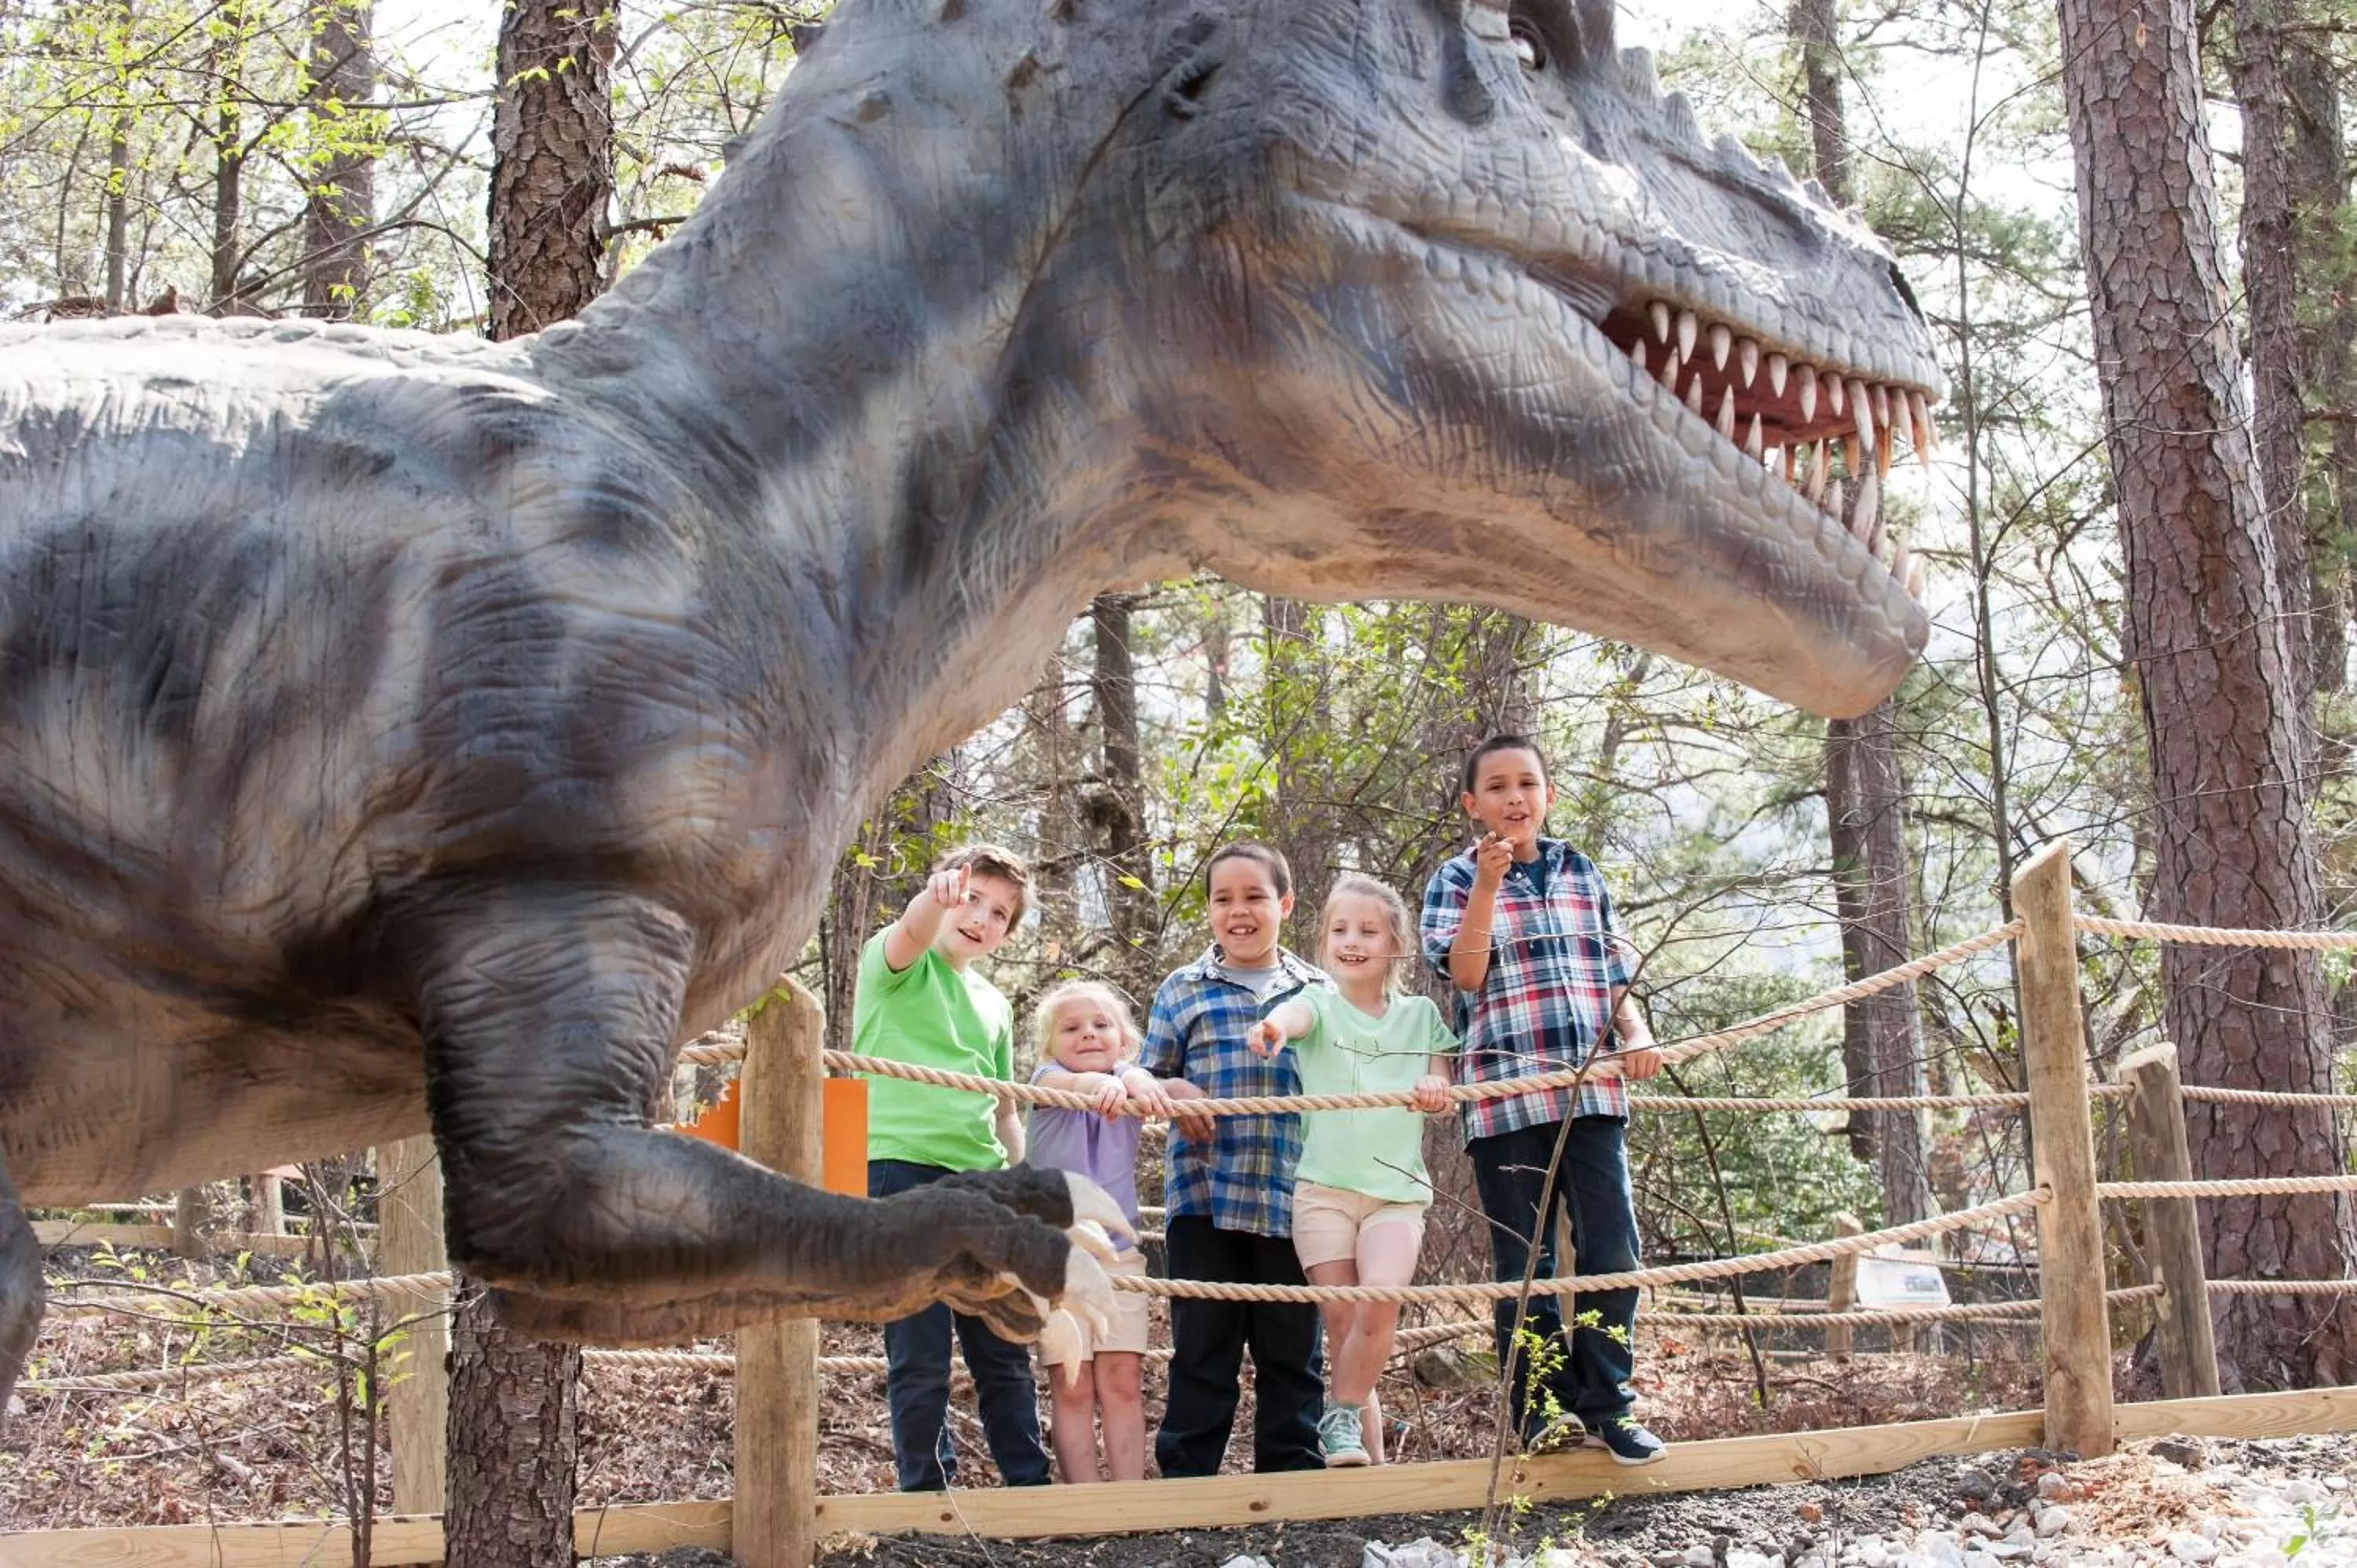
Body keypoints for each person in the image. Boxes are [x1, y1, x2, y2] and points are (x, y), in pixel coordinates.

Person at [1419, 735, 1670, 1466]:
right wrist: (1487, 889)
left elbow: (1613, 966)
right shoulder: (1456, 878)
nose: (1514, 798)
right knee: (1523, 1259)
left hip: (1592, 1089)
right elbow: (1464, 976)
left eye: (1527, 783)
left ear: (1548, 795)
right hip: (1504, 1102)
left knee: (1612, 1246)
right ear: (1473, 805)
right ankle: (1540, 1407)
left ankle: (1609, 1402)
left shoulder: (1580, 870)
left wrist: (1637, 1029)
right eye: (1496, 787)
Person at [856, 844, 1053, 1492]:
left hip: (982, 1187)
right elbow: (914, 929)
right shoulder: (896, 963)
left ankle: (1029, 1487)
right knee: (919, 1351)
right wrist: (932, 899)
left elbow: (1004, 1112)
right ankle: (925, 1494)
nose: (980, 917)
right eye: (972, 898)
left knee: (1002, 1344)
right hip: (901, 1171)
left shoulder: (995, 1005)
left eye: (999, 913)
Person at [1247, 873, 1455, 1467]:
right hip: (1325, 1194)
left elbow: (1442, 1076)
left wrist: (1435, 1087)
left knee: (1379, 1306)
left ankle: (1337, 1416)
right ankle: (1364, 1466)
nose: (1351, 940)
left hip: (1395, 1194)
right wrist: (1272, 1031)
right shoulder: (1318, 1002)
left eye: (1367, 930)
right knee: (1342, 1324)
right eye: (1340, 929)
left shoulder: (1419, 1017)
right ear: (1324, 942)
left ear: (1395, 944)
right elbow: (1293, 1020)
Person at [1138, 841, 1329, 1476]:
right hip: (1205, 1197)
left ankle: (1293, 1484)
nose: (1239, 912)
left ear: (1285, 904)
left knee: (1292, 1353)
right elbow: (1147, 1078)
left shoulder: (1320, 992)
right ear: (1210, 910)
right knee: (1202, 1348)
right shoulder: (1182, 988)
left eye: (1255, 897)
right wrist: (1174, 1092)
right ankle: (1189, 1486)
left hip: (1294, 1198)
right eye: (1224, 899)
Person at [1023, 980, 1169, 1482]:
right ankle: (1083, 1502)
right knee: (1073, 1384)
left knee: (1123, 1381)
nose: (1087, 1034)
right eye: (1071, 1027)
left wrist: (1136, 1080)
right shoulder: (1048, 1080)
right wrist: (1100, 1086)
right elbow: (1072, 1087)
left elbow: (1146, 1081)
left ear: (1123, 1040)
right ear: (1050, 1045)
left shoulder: (1133, 1084)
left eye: (1101, 1025)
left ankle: (1130, 1499)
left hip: (1119, 1257)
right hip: (1056, 1260)